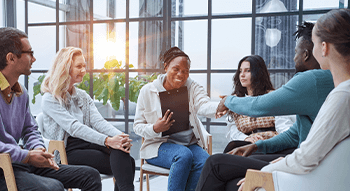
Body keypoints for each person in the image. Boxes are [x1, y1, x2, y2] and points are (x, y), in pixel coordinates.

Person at [195, 21, 334, 191]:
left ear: (305, 54)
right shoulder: (328, 81)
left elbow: (260, 106)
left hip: (305, 164)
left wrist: (227, 101)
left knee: (215, 163)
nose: (293, 57)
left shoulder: (312, 80)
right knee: (231, 178)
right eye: (241, 71)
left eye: (295, 52)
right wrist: (256, 145)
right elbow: (294, 134)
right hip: (306, 159)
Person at [238, 8, 350, 190]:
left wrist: (267, 170)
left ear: (324, 47)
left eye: (313, 44)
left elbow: (306, 158)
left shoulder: (342, 96)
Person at [0, 27, 101, 191]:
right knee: (53, 187)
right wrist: (26, 156)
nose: (34, 59)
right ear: (11, 58)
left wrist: (37, 148)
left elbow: (30, 129)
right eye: (29, 53)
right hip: (3, 168)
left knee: (91, 176)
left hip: (21, 161)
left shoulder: (20, 92)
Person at [40, 47, 135, 191]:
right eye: (79, 66)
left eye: (84, 66)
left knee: (124, 154)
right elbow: (74, 127)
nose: (84, 70)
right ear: (65, 68)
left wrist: (120, 137)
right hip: (67, 150)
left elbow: (98, 122)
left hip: (88, 142)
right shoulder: (49, 99)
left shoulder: (82, 96)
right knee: (127, 162)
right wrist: (108, 140)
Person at [133, 47, 217, 191]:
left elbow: (203, 105)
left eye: (185, 71)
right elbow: (137, 126)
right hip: (158, 147)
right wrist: (154, 128)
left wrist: (221, 106)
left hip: (188, 144)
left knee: (205, 162)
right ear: (165, 67)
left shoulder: (192, 87)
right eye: (176, 69)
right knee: (183, 156)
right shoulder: (148, 91)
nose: (181, 74)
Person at [224, 55, 295, 153]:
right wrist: (246, 138)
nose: (242, 75)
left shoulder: (272, 97)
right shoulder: (236, 100)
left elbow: (284, 126)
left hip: (271, 144)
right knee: (232, 148)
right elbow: (231, 130)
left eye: (248, 71)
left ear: (258, 73)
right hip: (245, 143)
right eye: (240, 71)